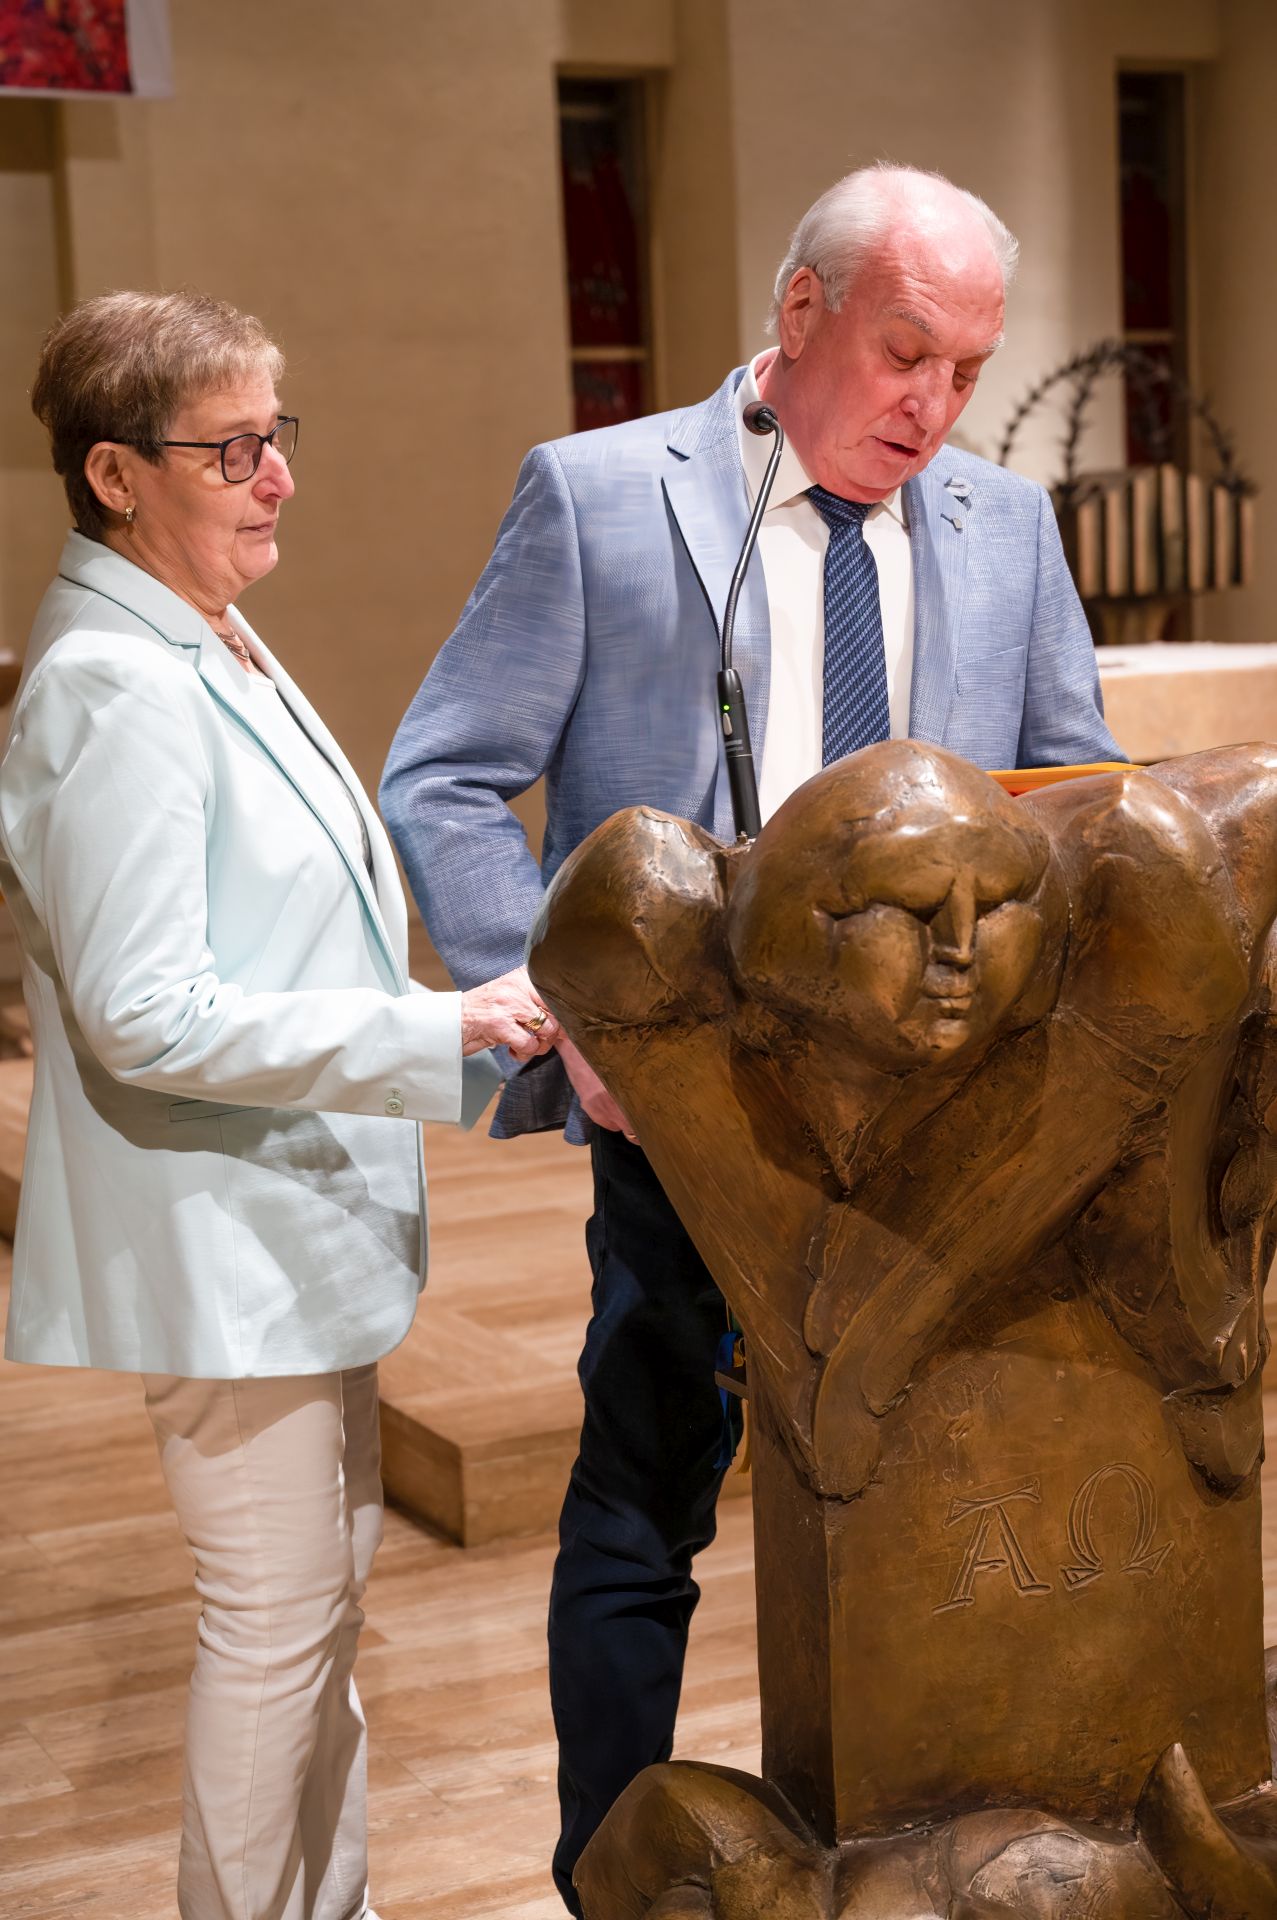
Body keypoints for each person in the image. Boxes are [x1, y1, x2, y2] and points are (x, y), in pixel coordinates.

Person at [379, 163, 1124, 1912]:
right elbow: (446, 776)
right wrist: (573, 1016)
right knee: (644, 1507)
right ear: (800, 313)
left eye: (966, 369)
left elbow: (1077, 796)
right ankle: (607, 1872)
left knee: (933, 1497)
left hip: (943, 1122)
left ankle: (923, 1857)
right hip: (691, 1113)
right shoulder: (600, 497)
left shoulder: (1003, 526)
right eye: (904, 354)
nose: (933, 406)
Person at [0, 289, 560, 1920]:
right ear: (115, 474)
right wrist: (435, 1025)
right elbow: (145, 1011)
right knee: (271, 1625)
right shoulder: (112, 680)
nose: (277, 477)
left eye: (275, 435)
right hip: (220, 1241)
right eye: (232, 449)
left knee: (317, 1615)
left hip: (284, 1223)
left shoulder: (203, 629)